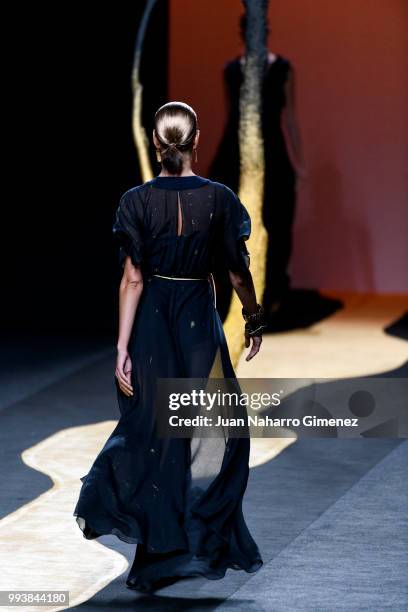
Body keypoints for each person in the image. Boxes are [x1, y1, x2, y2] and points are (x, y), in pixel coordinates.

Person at [73, 101, 265, 592]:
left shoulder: (136, 201)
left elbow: (132, 279)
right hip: (198, 318)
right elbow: (237, 270)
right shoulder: (218, 198)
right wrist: (253, 314)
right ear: (196, 142)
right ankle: (182, 546)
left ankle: (161, 550)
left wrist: (121, 346)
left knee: (156, 429)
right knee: (216, 429)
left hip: (155, 317)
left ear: (157, 145)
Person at [210, 14, 306, 319]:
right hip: (235, 154)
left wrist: (299, 163)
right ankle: (233, 294)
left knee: (277, 222)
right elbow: (231, 117)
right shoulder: (230, 71)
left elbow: (290, 118)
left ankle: (273, 292)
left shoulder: (282, 69)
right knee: (231, 225)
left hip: (273, 153)